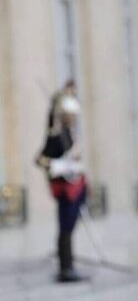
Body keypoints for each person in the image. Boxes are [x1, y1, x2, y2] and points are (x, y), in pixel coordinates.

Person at [36, 79, 88, 282]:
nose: (73, 118)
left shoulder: (70, 135)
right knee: (65, 227)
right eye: (70, 114)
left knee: (69, 227)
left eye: (74, 115)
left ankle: (67, 262)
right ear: (63, 115)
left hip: (75, 186)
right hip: (64, 189)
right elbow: (40, 159)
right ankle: (65, 267)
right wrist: (60, 165)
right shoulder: (56, 136)